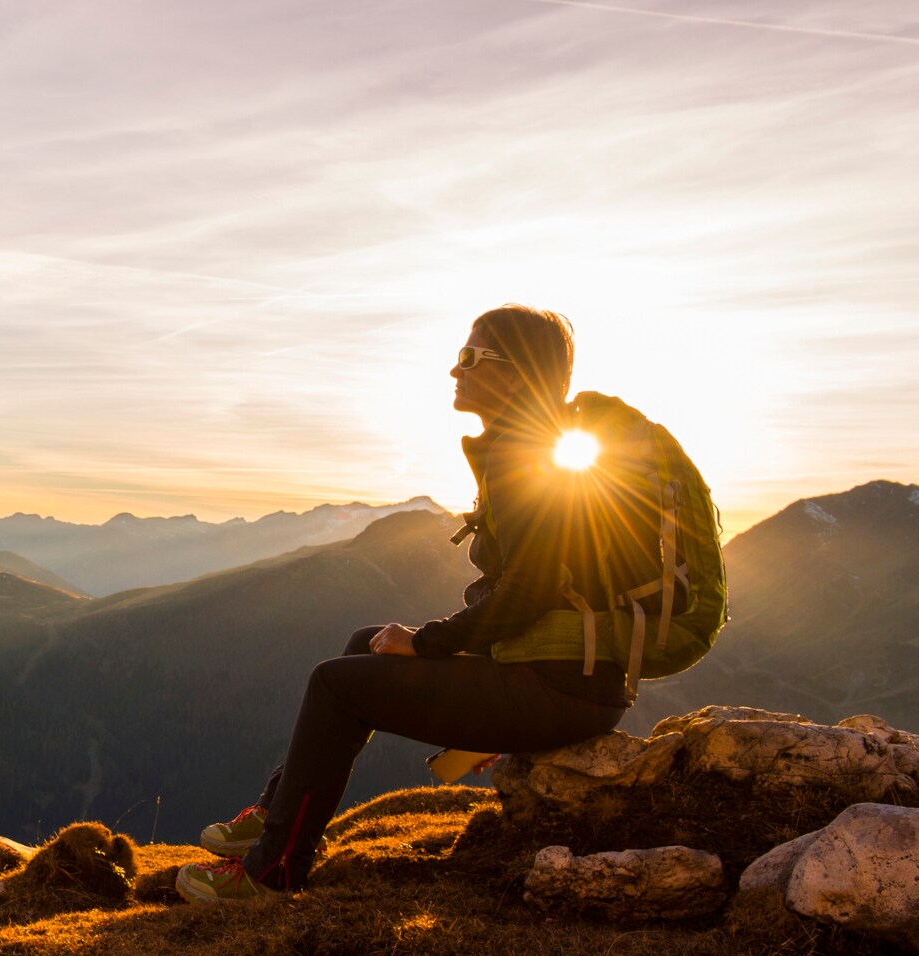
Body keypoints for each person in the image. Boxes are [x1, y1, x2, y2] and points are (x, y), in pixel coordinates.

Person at [177, 304, 635, 903]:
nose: (454, 368)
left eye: (472, 356)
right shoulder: (535, 450)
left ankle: (272, 874)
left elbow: (530, 590)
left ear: (517, 373)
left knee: (335, 686)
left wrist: (427, 643)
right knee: (365, 641)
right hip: (566, 680)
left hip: (561, 692)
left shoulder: (533, 462)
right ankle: (273, 816)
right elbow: (540, 590)